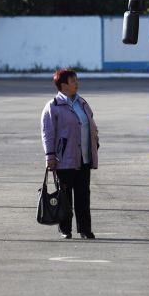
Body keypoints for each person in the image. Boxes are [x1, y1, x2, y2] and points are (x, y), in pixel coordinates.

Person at [41, 69, 99, 239]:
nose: (76, 83)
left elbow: (91, 124)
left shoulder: (82, 102)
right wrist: (50, 156)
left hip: (84, 157)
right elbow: (48, 133)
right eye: (73, 80)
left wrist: (96, 141)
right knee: (65, 197)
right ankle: (65, 229)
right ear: (63, 85)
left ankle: (85, 229)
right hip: (64, 159)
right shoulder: (53, 106)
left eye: (76, 80)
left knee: (83, 196)